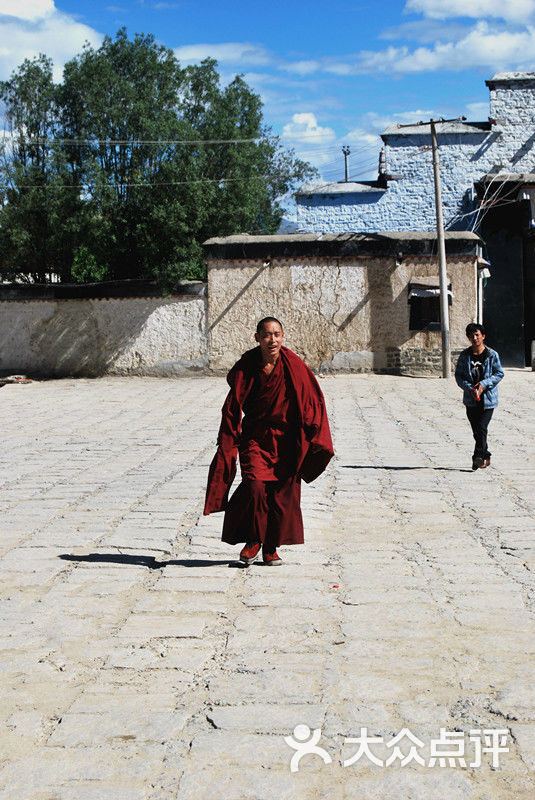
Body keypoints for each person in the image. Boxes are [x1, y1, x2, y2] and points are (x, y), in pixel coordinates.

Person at [204, 317, 333, 565]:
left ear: (283, 337)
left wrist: (315, 435)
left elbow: (312, 400)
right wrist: (228, 438)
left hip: (287, 440)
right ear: (257, 338)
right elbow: (232, 405)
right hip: (256, 438)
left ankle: (271, 546)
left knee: (282, 493)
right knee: (254, 486)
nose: (271, 340)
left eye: (276, 334)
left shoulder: (293, 365)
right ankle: (253, 539)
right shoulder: (247, 366)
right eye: (266, 335)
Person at [455, 322, 504, 470]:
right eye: (472, 336)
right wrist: (469, 387)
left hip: (488, 399)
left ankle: (477, 457)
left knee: (482, 427)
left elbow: (499, 373)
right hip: (471, 399)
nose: (475, 338)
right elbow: (459, 376)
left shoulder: (491, 355)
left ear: (483, 336)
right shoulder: (465, 356)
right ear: (468, 338)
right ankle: (486, 455)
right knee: (477, 430)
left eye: (477, 335)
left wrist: (484, 384)